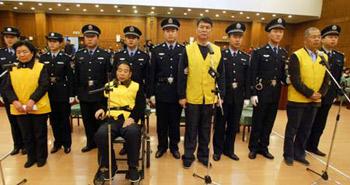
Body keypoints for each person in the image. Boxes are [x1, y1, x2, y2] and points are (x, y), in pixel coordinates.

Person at [177, 17, 225, 168]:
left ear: (211, 30)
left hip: (210, 98)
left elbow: (222, 75)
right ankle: (188, 155)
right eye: (202, 27)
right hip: (192, 97)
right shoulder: (188, 50)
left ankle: (203, 155)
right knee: (191, 129)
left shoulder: (216, 51)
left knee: (206, 129)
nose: (204, 30)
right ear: (196, 29)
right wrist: (181, 96)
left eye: (207, 27)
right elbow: (181, 75)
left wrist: (220, 95)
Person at [283, 27, 329, 166]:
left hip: (315, 101)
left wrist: (321, 93)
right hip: (297, 100)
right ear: (305, 39)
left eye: (319, 37)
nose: (317, 39)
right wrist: (310, 93)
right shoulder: (296, 56)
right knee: (293, 128)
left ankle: (299, 153)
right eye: (313, 36)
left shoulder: (323, 56)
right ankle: (288, 154)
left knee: (306, 129)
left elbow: (327, 78)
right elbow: (295, 80)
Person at [93, 61, 145, 183]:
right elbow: (102, 102)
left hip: (129, 119)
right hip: (112, 119)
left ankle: (133, 168)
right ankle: (110, 166)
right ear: (116, 72)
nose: (122, 73)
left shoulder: (136, 86)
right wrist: (101, 109)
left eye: (125, 71)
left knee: (133, 133)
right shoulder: (108, 85)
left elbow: (140, 105)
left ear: (130, 74)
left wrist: (133, 118)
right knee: (101, 134)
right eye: (119, 70)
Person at [4, 40, 51, 168]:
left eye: (25, 51)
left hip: (38, 106)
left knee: (39, 134)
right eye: (18, 52)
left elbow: (44, 85)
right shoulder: (12, 68)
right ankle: (31, 157)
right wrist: (14, 101)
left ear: (32, 53)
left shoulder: (40, 67)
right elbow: (7, 88)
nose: (21, 54)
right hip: (19, 108)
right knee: (26, 134)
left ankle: (41, 158)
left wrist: (32, 100)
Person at [248, 18, 288, 160]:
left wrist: (288, 79)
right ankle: (253, 147)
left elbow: (283, 74)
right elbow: (252, 73)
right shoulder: (259, 52)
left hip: (275, 93)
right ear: (269, 34)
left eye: (280, 32)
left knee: (269, 122)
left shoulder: (283, 53)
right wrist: (252, 93)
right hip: (261, 93)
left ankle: (263, 147)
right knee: (258, 121)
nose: (278, 34)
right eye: (275, 31)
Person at [213, 22, 250, 161]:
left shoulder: (245, 57)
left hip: (238, 98)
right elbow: (216, 76)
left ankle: (229, 150)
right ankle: (217, 151)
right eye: (235, 36)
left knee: (233, 126)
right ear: (229, 37)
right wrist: (218, 95)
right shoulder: (220, 55)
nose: (238, 39)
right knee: (220, 125)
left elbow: (247, 79)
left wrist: (246, 97)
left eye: (240, 36)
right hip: (224, 97)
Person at [306, 25, 344, 157]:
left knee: (320, 122)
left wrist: (335, 94)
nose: (333, 40)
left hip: (329, 96)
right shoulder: (315, 53)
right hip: (315, 94)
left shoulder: (339, 56)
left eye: (335, 37)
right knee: (308, 122)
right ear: (322, 39)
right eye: (330, 37)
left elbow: (337, 78)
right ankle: (302, 145)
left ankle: (313, 145)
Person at [149, 18, 184, 159]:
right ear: (164, 33)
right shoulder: (157, 50)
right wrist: (151, 93)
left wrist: (184, 94)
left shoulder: (183, 50)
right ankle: (162, 147)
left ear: (177, 32)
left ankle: (174, 147)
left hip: (177, 92)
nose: (170, 34)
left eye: (173, 31)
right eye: (167, 31)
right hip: (161, 92)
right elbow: (152, 73)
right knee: (161, 122)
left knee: (175, 122)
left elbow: (186, 74)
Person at [74, 24, 111, 153]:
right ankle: (90, 143)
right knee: (87, 121)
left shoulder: (105, 55)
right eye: (87, 37)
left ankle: (101, 143)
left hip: (100, 94)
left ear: (97, 38)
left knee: (100, 121)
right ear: (83, 38)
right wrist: (76, 94)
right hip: (84, 94)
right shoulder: (79, 55)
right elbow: (76, 76)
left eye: (92, 37)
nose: (89, 39)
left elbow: (109, 77)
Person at [112, 26, 149, 155]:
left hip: (137, 95)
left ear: (138, 40)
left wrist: (148, 95)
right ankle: (126, 145)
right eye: (128, 37)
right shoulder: (118, 55)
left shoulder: (144, 56)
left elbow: (147, 77)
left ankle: (131, 146)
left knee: (134, 121)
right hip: (121, 94)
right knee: (121, 119)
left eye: (134, 38)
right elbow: (114, 76)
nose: (131, 40)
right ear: (125, 39)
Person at [39, 32, 74, 154]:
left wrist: (71, 94)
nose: (52, 44)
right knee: (53, 121)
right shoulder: (43, 58)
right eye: (50, 41)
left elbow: (70, 78)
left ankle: (67, 144)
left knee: (64, 120)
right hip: (48, 93)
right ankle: (57, 143)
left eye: (55, 41)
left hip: (62, 93)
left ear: (60, 43)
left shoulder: (66, 58)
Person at [0, 26, 26, 155]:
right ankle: (17, 145)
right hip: (6, 92)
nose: (9, 40)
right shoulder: (1, 53)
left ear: (18, 38)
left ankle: (26, 145)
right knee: (13, 119)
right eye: (7, 37)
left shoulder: (24, 53)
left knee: (24, 119)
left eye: (12, 37)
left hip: (22, 91)